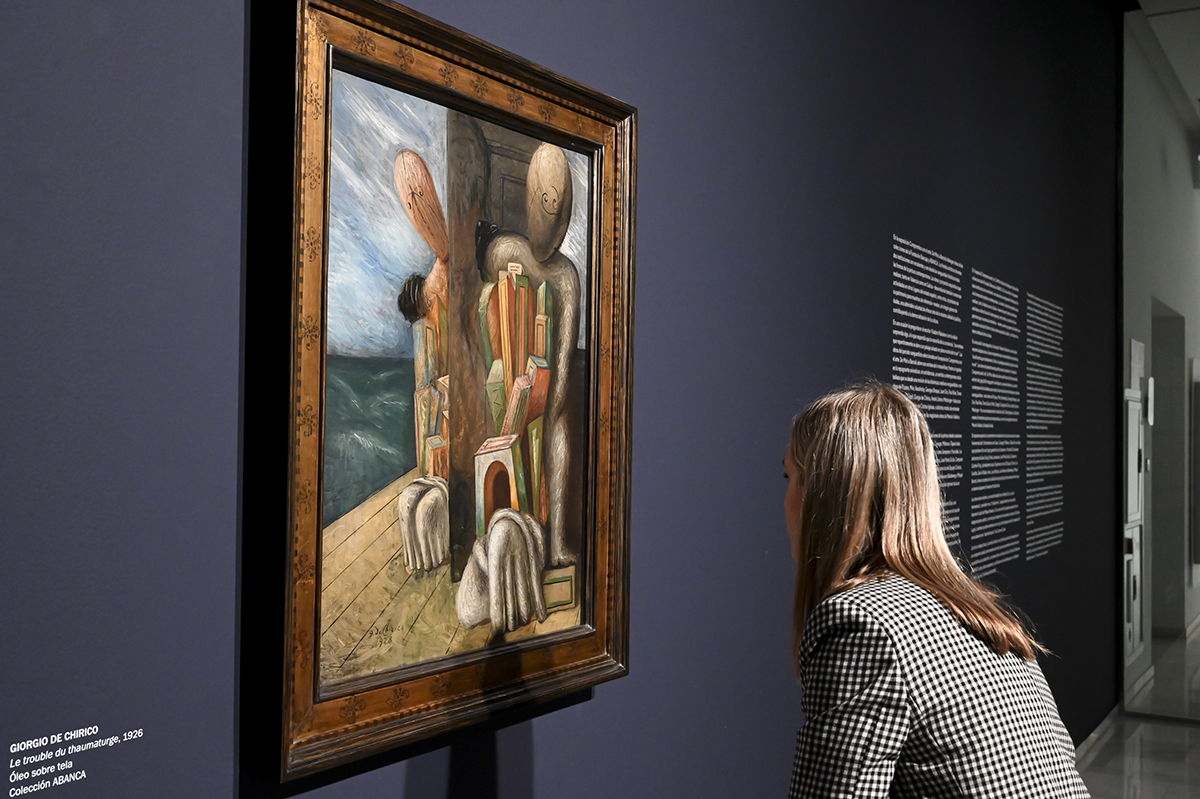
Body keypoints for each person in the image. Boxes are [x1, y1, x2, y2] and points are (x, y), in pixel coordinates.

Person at [784, 383, 1089, 798]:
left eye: (790, 477)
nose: (786, 497)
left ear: (822, 494)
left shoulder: (861, 622)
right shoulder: (977, 609)